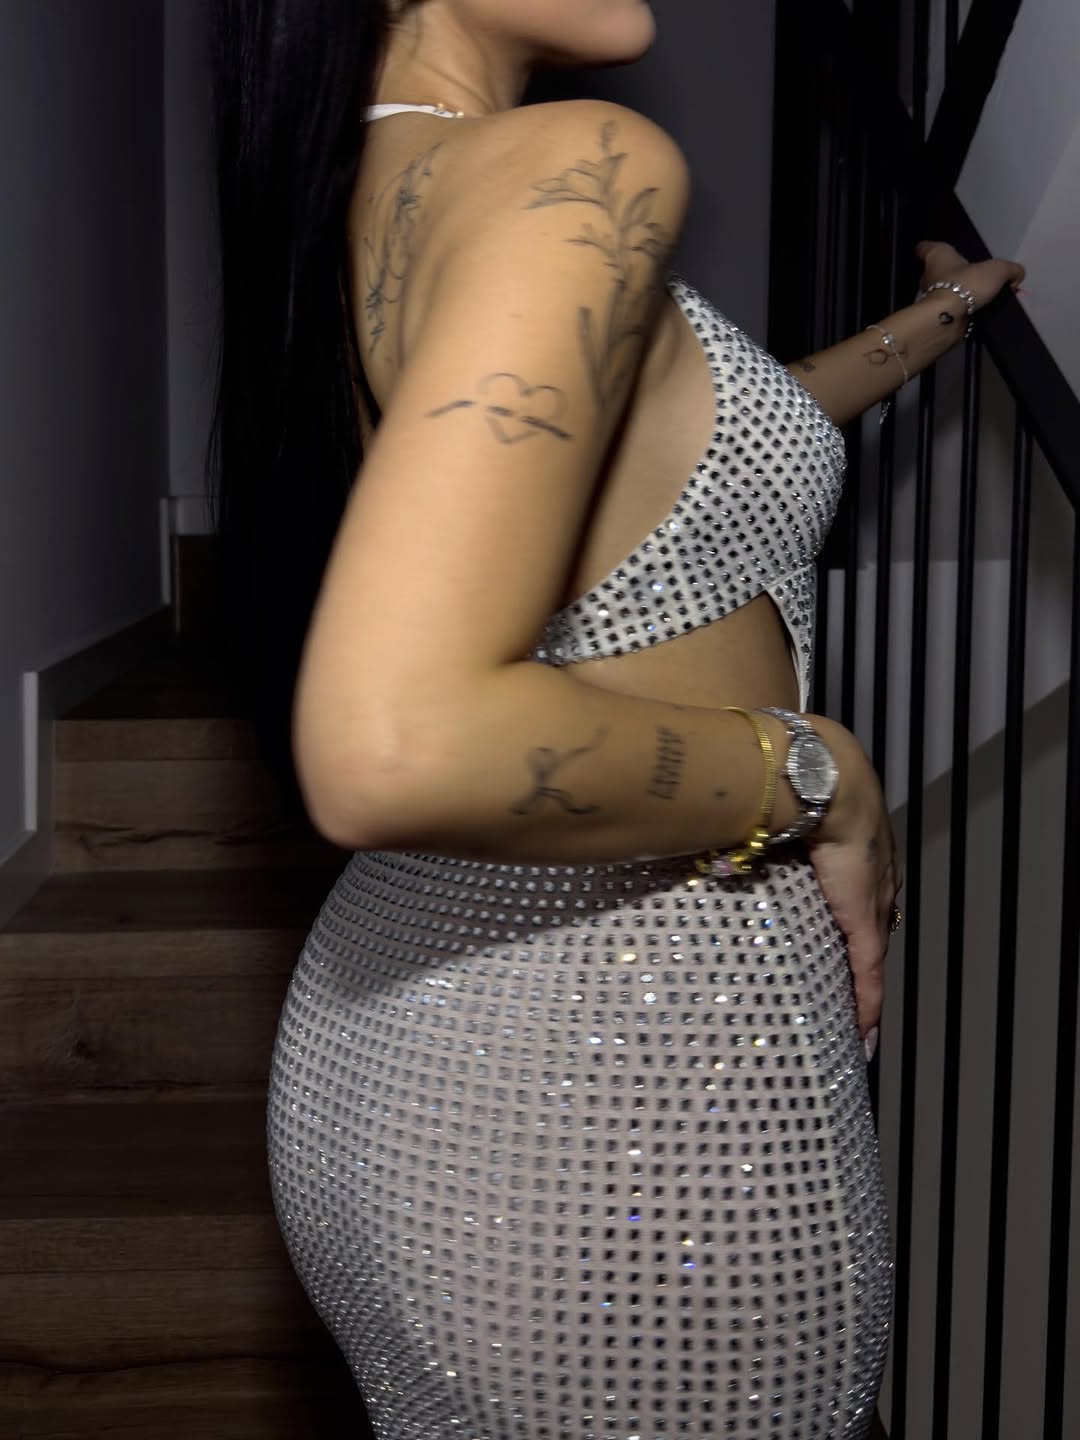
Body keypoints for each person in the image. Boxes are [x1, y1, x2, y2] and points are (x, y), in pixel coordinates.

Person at [208, 2, 1025, 1435]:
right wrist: (810, 771)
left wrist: (942, 314)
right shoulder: (576, 167)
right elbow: (390, 743)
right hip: (629, 1065)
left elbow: (705, 437)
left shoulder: (380, 188)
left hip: (409, 1031)